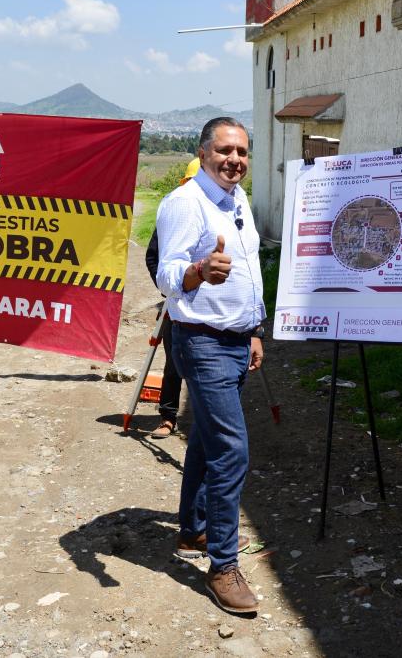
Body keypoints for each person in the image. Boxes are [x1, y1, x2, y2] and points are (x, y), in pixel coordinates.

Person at [155, 117, 265, 614]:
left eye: (241, 151)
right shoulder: (185, 202)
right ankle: (223, 565)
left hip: (235, 341)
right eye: (224, 150)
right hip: (202, 344)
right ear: (203, 153)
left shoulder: (235, 198)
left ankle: (194, 531)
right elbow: (167, 275)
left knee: (204, 439)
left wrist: (253, 331)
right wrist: (200, 271)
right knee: (231, 451)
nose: (234, 160)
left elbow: (247, 267)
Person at [144, 158, 200, 439]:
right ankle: (168, 416)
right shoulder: (174, 215)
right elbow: (152, 257)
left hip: (210, 307)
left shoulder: (219, 217)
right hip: (176, 301)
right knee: (173, 361)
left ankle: (206, 418)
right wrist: (167, 287)